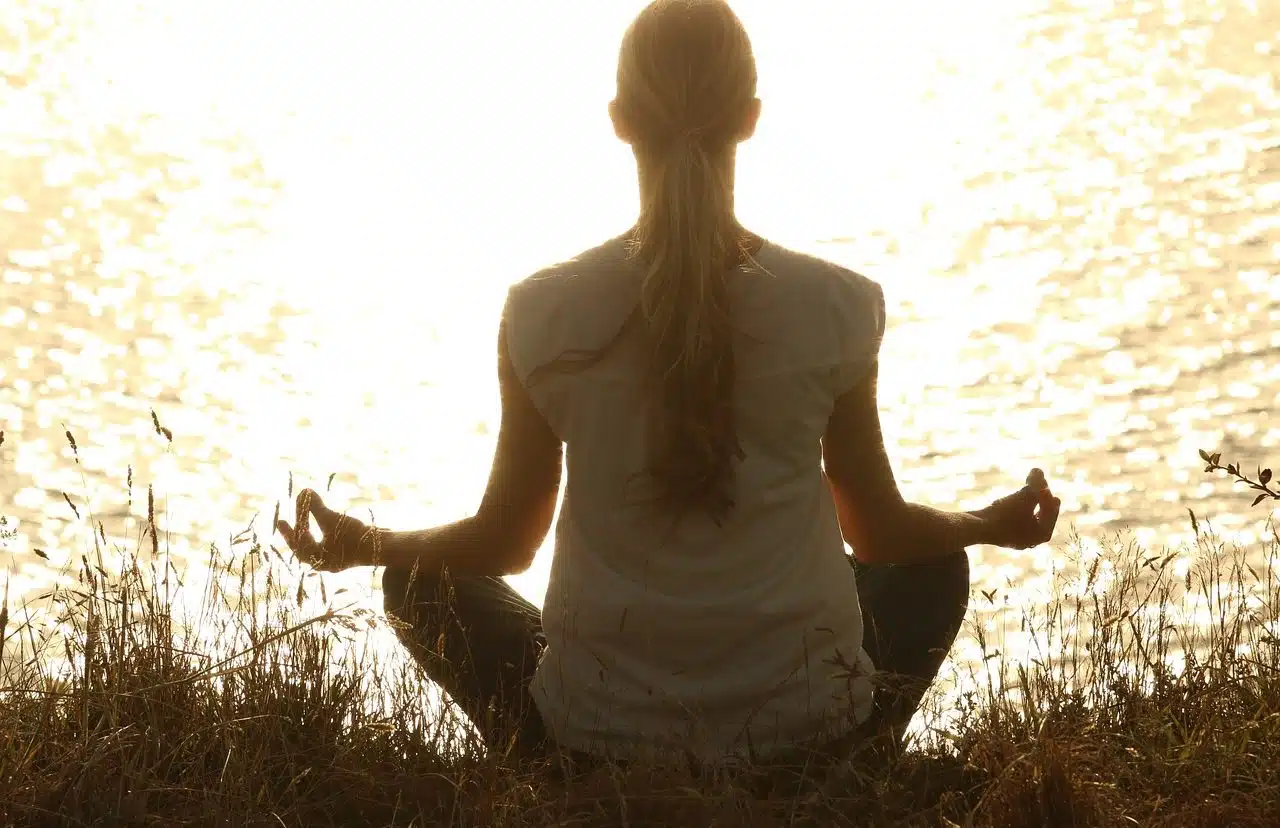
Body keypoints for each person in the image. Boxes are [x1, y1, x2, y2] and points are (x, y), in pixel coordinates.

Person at [276, 0, 1060, 770]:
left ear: (619, 118)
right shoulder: (838, 305)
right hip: (806, 734)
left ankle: (560, 775)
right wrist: (984, 524)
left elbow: (508, 541)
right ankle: (838, 769)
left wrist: (364, 545)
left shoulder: (542, 312)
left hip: (596, 742)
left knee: (419, 581)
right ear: (751, 117)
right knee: (934, 560)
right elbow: (879, 533)